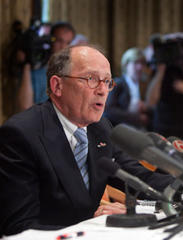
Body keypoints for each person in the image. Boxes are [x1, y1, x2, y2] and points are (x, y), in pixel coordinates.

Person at [0, 45, 173, 236]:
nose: (102, 91)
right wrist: (95, 228)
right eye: (91, 79)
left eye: (107, 81)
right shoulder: (21, 134)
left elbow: (136, 178)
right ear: (58, 85)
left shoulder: (101, 128)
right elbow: (19, 227)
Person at [17, 21, 76, 111]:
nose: (63, 46)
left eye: (68, 43)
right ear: (50, 39)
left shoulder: (72, 73)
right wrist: (27, 63)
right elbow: (25, 106)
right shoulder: (36, 69)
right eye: (59, 40)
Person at [104, 47, 152, 129]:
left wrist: (146, 107)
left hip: (139, 130)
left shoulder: (144, 85)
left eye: (142, 63)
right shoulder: (117, 83)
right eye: (136, 63)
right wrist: (137, 118)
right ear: (126, 65)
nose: (140, 67)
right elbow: (109, 111)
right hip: (120, 130)